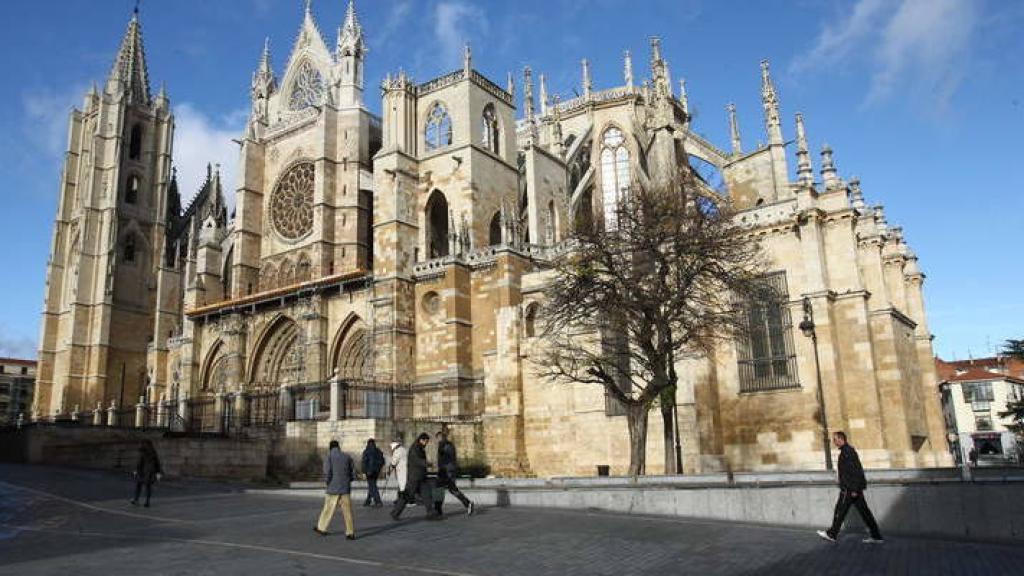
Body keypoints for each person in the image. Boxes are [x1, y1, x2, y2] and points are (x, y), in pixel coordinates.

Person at [817, 431, 884, 544]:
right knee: (865, 513)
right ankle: (876, 536)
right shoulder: (848, 451)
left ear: (841, 439)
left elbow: (855, 471)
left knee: (840, 510)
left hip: (849, 489)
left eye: (835, 439)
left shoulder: (847, 452)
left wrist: (854, 489)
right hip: (854, 489)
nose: (834, 442)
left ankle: (832, 534)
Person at [390, 433, 440, 521]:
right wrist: (427, 464)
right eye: (426, 441)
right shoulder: (414, 449)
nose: (426, 443)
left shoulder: (420, 448)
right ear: (421, 440)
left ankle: (430, 512)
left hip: (421, 476)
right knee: (407, 495)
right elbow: (417, 460)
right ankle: (395, 512)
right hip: (414, 477)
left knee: (427, 494)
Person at [314, 440, 356, 540]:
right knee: (347, 512)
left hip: (333, 488)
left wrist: (327, 482)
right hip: (345, 488)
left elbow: (327, 472)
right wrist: (348, 481)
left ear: (330, 447)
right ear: (338, 447)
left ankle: (322, 528)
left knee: (328, 509)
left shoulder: (329, 457)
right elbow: (353, 472)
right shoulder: (347, 456)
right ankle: (350, 532)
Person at [435, 431, 474, 516]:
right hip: (446, 471)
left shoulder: (445, 445)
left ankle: (438, 511)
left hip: (446, 471)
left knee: (442, 489)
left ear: (442, 437)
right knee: (446, 489)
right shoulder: (447, 445)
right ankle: (467, 503)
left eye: (438, 438)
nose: (437, 440)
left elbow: (447, 458)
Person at [130, 439, 162, 508]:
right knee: (148, 487)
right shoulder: (153, 452)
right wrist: (159, 472)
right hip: (150, 472)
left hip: (142, 472)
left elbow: (139, 463)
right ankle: (147, 501)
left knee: (139, 485)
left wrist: (135, 471)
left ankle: (136, 500)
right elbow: (157, 463)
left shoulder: (143, 451)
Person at [361, 438, 385, 507]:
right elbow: (382, 461)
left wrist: (363, 471)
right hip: (376, 471)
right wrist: (379, 468)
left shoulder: (366, 451)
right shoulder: (378, 451)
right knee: (372, 485)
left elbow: (364, 462)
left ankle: (378, 501)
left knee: (372, 486)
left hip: (369, 472)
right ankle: (368, 501)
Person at [388, 440, 408, 505]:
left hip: (401, 470)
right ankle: (399, 499)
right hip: (405, 469)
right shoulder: (403, 449)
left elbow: (394, 461)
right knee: (402, 485)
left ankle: (402, 500)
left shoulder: (397, 451)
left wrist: (390, 468)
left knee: (402, 485)